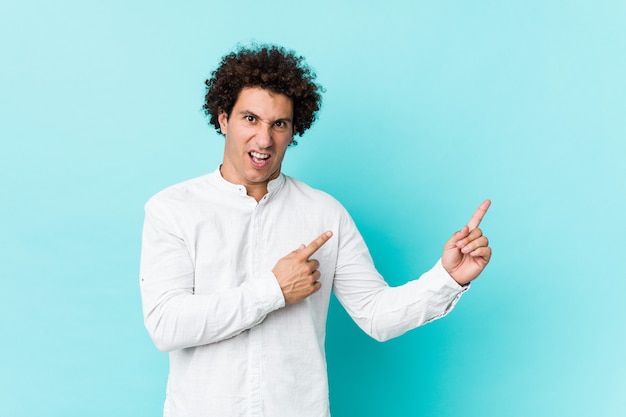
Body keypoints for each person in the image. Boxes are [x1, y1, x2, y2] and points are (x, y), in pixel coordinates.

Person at [139, 43, 492, 417]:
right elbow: (166, 324)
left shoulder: (324, 213)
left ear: (294, 130)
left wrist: (447, 279)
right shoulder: (172, 209)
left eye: (279, 124)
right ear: (224, 119)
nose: (263, 139)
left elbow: (377, 315)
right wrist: (273, 290)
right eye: (250, 119)